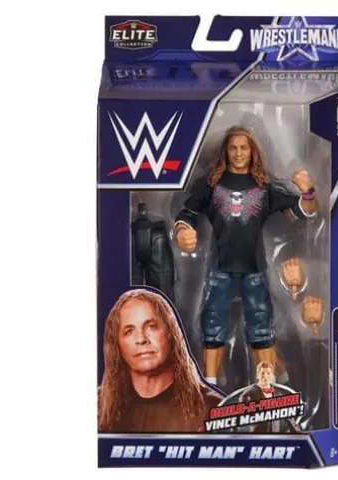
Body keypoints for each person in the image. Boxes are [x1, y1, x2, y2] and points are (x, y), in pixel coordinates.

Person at [174, 125, 318, 384]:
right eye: (233, 148)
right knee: (212, 326)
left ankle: (269, 387)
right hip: (219, 268)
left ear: (252, 151)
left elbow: (302, 211)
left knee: (261, 327)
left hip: (254, 269)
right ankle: (210, 385)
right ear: (225, 152)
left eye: (244, 148)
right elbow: (187, 213)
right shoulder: (211, 185)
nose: (239, 153)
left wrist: (309, 192)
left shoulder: (264, 187)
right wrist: (182, 232)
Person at [98, 288, 223, 433]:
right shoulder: (98, 407)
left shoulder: (214, 409)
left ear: (171, 333)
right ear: (117, 345)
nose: (141, 339)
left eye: (151, 327)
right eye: (129, 331)